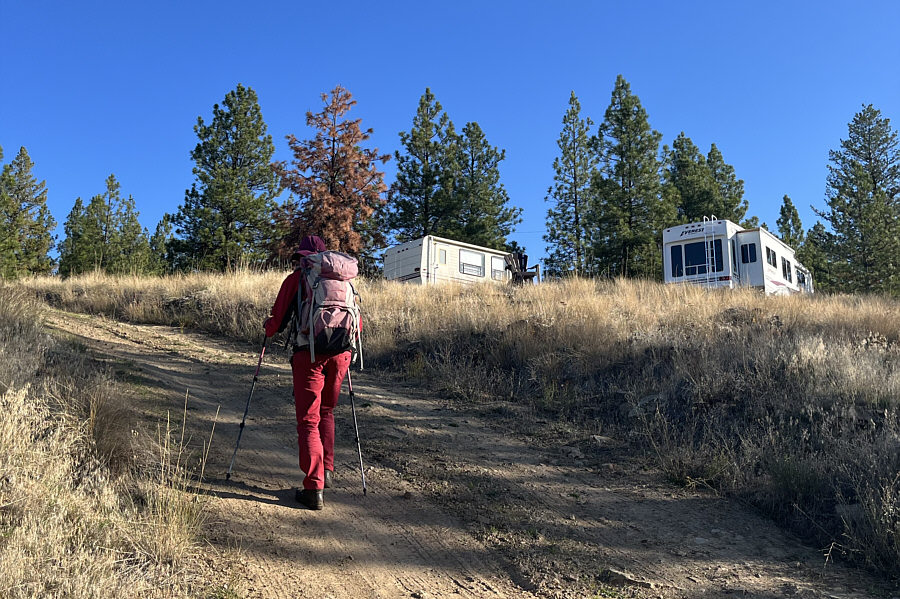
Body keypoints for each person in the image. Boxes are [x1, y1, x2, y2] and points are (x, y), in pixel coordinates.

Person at [264, 235, 352, 510]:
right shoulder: (344, 281)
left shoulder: (297, 278)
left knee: (308, 421)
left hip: (309, 355)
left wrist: (267, 327)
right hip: (342, 353)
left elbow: (277, 322)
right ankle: (325, 471)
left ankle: (314, 489)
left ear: (304, 257)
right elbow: (356, 322)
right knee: (327, 412)